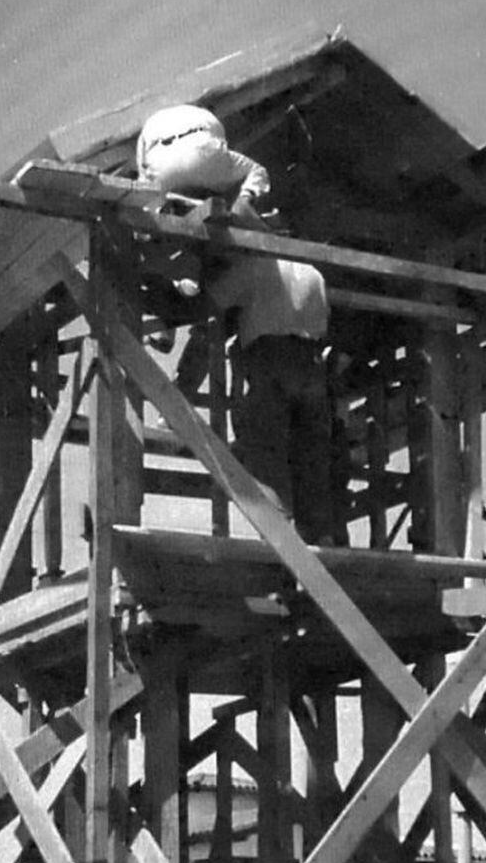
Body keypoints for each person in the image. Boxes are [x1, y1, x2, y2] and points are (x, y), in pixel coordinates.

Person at [207, 252, 336, 545]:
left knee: (265, 447)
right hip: (310, 362)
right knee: (311, 452)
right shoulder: (314, 272)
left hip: (269, 357)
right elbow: (324, 322)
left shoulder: (253, 265)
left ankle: (280, 532)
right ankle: (319, 534)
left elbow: (212, 300)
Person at [135, 104, 269, 228]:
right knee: (256, 171)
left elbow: (143, 171)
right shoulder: (204, 115)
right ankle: (244, 199)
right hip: (202, 147)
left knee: (155, 195)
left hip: (162, 159)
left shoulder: (153, 122)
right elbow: (219, 141)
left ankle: (176, 203)